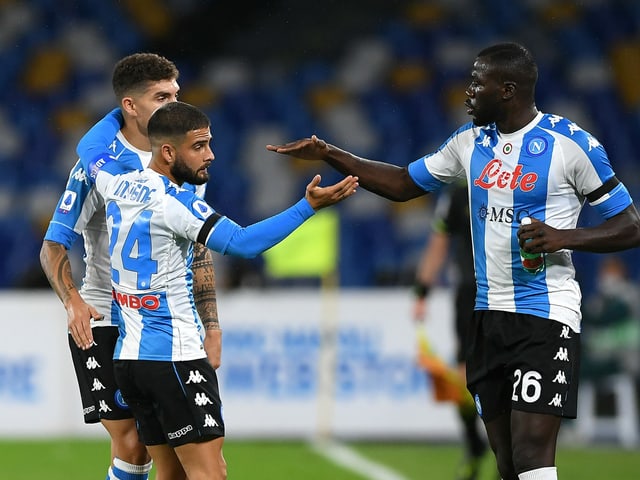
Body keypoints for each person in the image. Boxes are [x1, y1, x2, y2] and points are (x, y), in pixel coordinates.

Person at [267, 42, 640, 480]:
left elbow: (631, 225)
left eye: (476, 84)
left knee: (532, 456)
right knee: (506, 463)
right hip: (486, 318)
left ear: (506, 89)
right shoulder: (468, 143)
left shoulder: (571, 145)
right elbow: (404, 183)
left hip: (545, 314)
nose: (467, 93)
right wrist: (332, 154)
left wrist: (564, 237)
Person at [81, 100, 358, 480]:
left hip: (131, 361)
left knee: (171, 474)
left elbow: (88, 149)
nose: (210, 155)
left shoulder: (116, 184)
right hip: (175, 357)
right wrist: (306, 207)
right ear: (167, 151)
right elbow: (242, 243)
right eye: (198, 146)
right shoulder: (175, 203)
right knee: (210, 474)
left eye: (209, 143)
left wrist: (121, 108)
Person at [40, 53, 221, 480]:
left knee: (180, 458)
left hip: (167, 323)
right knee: (133, 442)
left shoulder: (183, 157)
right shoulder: (94, 165)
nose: (174, 102)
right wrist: (74, 302)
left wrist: (211, 324)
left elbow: (198, 247)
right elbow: (52, 247)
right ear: (130, 106)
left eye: (176, 93)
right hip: (106, 316)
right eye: (162, 96)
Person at [413, 182, 488, 480]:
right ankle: (473, 444)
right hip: (470, 291)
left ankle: (506, 457)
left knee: (509, 376)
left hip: (512, 291)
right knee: (464, 377)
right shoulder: (460, 192)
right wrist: (422, 290)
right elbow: (439, 240)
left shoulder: (521, 181)